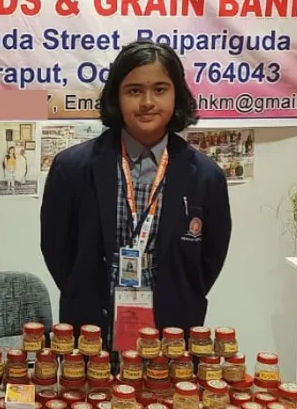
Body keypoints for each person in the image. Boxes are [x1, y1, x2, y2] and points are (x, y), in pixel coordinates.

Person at [40, 41, 232, 346]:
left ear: (176, 95)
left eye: (160, 89)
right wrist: (85, 291)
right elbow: (57, 250)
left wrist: (177, 297)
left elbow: (209, 261)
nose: (147, 102)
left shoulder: (206, 178)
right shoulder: (72, 168)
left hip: (171, 333)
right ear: (117, 96)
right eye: (134, 91)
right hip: (91, 329)